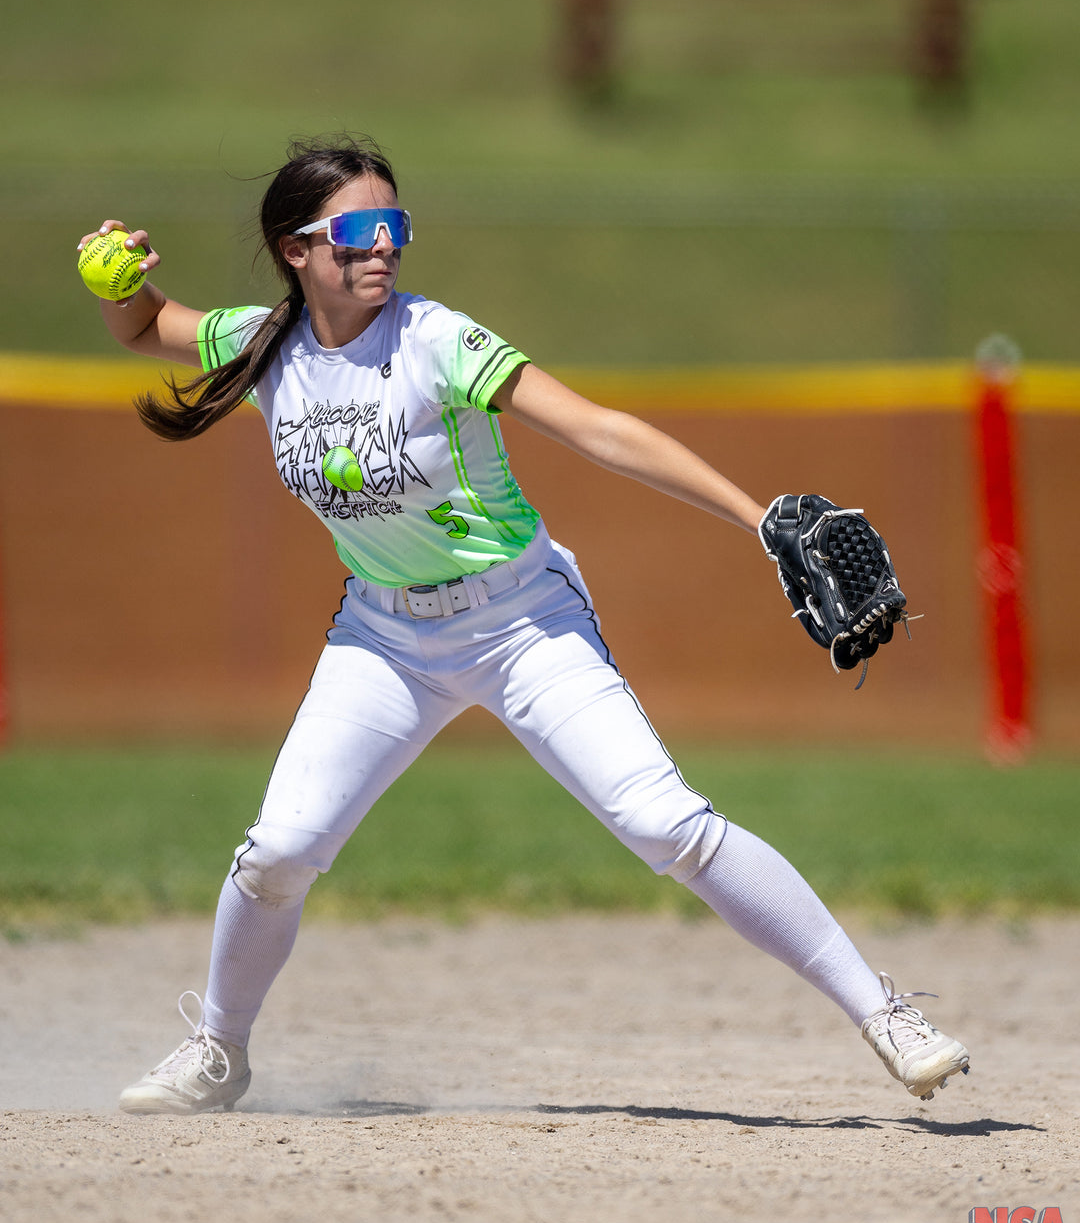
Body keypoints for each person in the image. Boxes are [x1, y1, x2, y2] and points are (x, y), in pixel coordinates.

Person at [79, 134, 970, 1115]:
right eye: (361, 230)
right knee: (279, 853)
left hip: (523, 625)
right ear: (297, 248)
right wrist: (118, 280)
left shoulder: (435, 340)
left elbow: (597, 428)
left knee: (664, 823)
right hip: (382, 639)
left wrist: (756, 515)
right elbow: (144, 327)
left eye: (397, 227)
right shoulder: (264, 345)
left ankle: (886, 1013)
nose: (385, 248)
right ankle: (218, 1050)